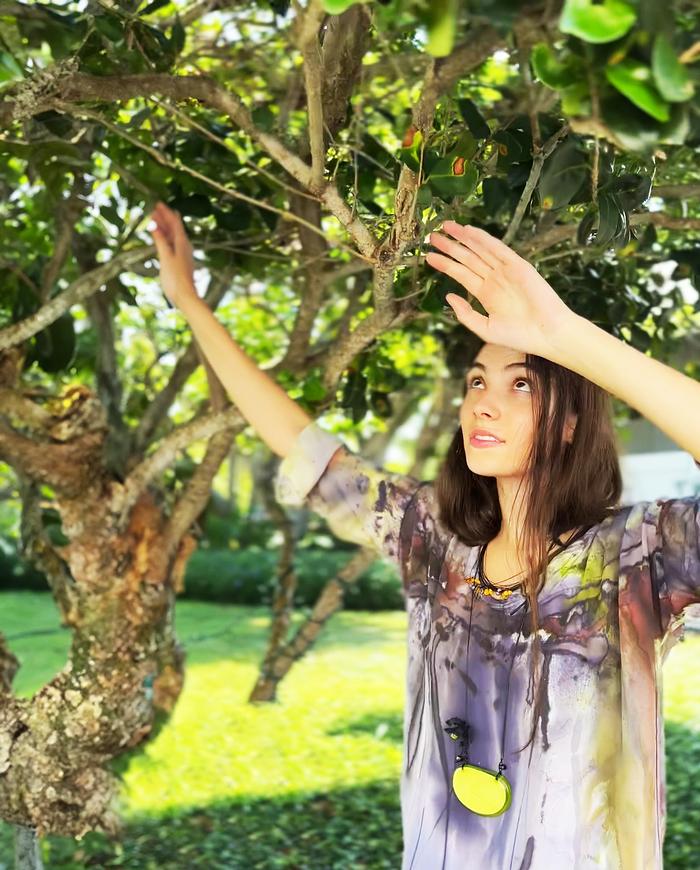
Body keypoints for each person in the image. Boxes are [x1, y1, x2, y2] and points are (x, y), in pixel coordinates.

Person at [149, 203, 700, 869]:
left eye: (521, 384)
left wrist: (562, 334)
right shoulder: (431, 540)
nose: (483, 403)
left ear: (570, 422)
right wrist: (189, 303)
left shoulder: (637, 557)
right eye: (476, 381)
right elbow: (303, 445)